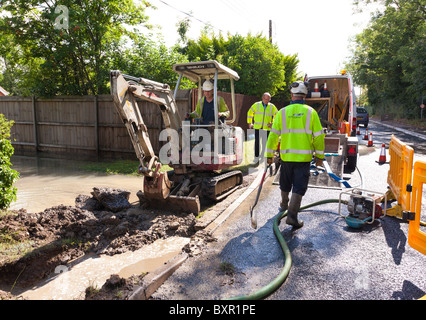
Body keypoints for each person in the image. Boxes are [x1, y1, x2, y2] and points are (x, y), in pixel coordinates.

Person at [265, 81, 325, 228]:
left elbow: (273, 136)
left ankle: (284, 204)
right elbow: (318, 137)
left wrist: (269, 155)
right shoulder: (311, 112)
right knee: (299, 186)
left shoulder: (281, 113)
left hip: (286, 157)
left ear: (292, 94)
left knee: (285, 182)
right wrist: (320, 157)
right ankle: (292, 216)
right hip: (303, 159)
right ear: (304, 95)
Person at [247, 93, 277, 160]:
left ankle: (263, 156)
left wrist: (273, 123)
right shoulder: (256, 105)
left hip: (267, 128)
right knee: (257, 142)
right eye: (266, 99)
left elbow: (276, 115)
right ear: (262, 98)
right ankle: (256, 157)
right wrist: (250, 123)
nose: (267, 101)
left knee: (265, 143)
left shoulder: (272, 106)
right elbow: (249, 113)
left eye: (268, 99)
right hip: (257, 127)